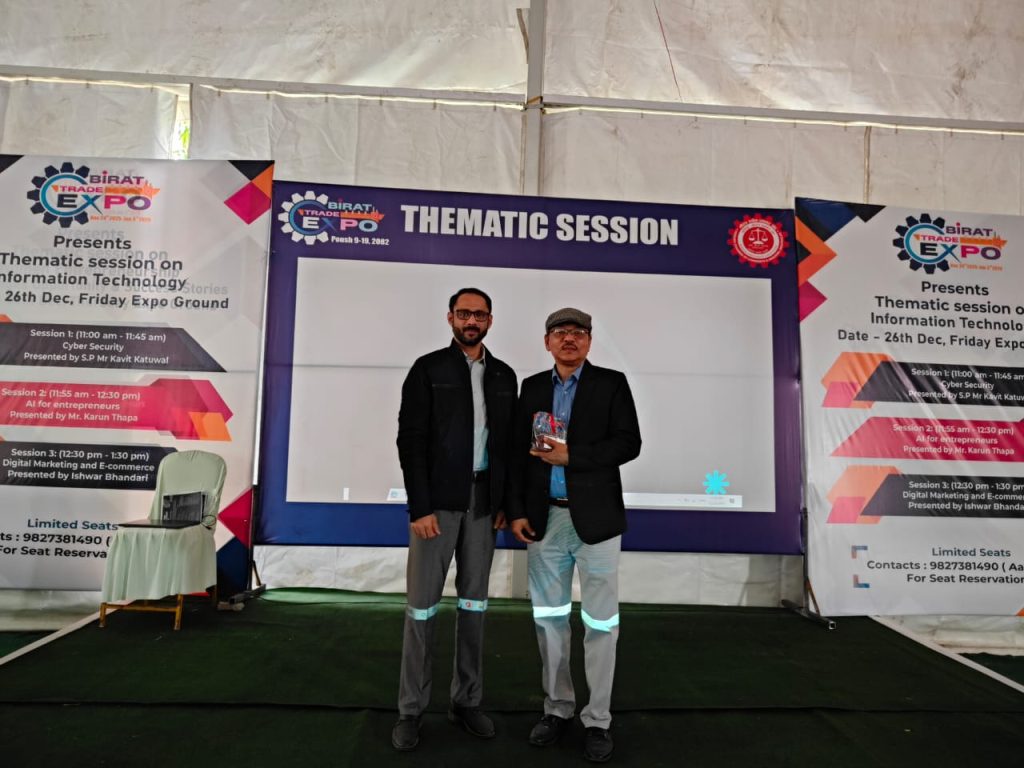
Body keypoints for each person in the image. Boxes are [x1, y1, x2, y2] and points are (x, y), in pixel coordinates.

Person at [508, 307, 641, 764]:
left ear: (589, 341)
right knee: (549, 620)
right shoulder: (532, 388)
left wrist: (572, 456)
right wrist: (517, 511)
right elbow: (517, 454)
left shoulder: (611, 384)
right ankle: (557, 708)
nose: (570, 339)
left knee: (601, 625)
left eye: (578, 332)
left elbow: (628, 443)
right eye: (560, 332)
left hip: (597, 523)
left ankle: (597, 719)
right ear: (547, 342)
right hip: (544, 520)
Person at [391, 287, 518, 752]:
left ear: (490, 321)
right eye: (464, 313)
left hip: (484, 505)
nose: (471, 321)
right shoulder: (428, 369)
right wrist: (420, 507)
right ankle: (411, 710)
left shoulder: (504, 375)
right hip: (438, 506)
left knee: (474, 605)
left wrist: (505, 503)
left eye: (479, 315)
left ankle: (466, 701)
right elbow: (410, 441)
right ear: (450, 318)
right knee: (422, 609)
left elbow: (507, 446)